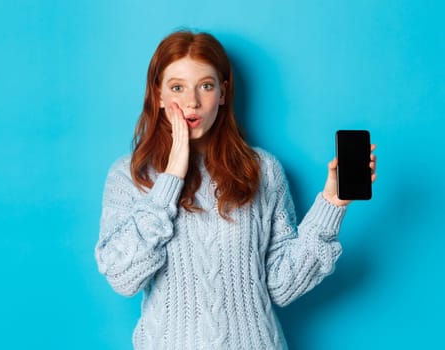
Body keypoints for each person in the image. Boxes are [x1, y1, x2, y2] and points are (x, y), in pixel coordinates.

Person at [94, 30, 377, 349]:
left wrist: (332, 204)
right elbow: (122, 276)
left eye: (206, 85)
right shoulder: (130, 175)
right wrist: (172, 175)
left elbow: (282, 286)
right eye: (177, 87)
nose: (192, 101)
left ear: (223, 93)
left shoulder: (262, 170)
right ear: (158, 94)